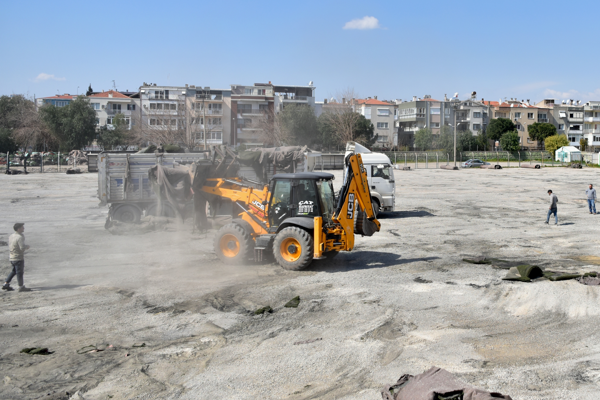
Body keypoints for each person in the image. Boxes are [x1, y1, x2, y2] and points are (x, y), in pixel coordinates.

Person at [2, 223, 31, 292]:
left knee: (14, 271)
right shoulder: (20, 237)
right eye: (22, 227)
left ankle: (6, 284)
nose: (23, 228)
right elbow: (22, 247)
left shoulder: (11, 236)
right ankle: (21, 287)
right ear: (18, 229)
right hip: (18, 257)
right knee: (19, 272)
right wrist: (27, 246)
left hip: (11, 256)